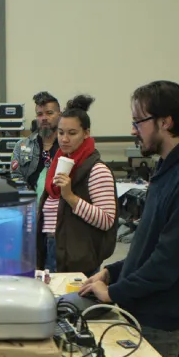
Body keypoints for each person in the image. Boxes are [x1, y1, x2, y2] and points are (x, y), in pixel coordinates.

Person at [80, 81, 179, 357]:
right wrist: (112, 272)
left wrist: (113, 293)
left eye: (138, 121)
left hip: (161, 319)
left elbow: (167, 263)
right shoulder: (168, 169)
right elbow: (149, 244)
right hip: (142, 308)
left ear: (165, 122)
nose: (133, 130)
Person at [36, 95, 117, 275]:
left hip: (76, 257)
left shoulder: (97, 170)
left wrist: (71, 197)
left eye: (72, 133)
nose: (64, 139)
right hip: (51, 248)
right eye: (61, 132)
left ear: (86, 133)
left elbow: (106, 221)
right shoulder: (60, 163)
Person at [11, 91, 62, 190]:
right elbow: (15, 177)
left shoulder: (67, 145)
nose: (44, 118)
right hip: (30, 200)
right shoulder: (21, 146)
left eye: (49, 113)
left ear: (60, 115)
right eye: (40, 114)